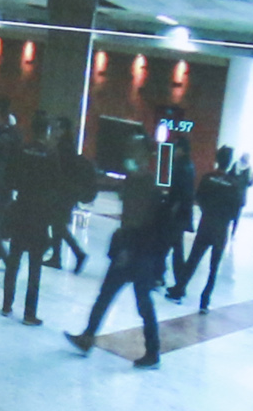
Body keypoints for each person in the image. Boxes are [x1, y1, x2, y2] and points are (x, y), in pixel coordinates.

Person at [66, 152, 182, 368]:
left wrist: (127, 248)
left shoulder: (142, 187)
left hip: (135, 254)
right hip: (137, 253)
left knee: (130, 300)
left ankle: (150, 350)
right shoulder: (141, 185)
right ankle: (90, 337)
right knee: (124, 299)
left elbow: (138, 223)